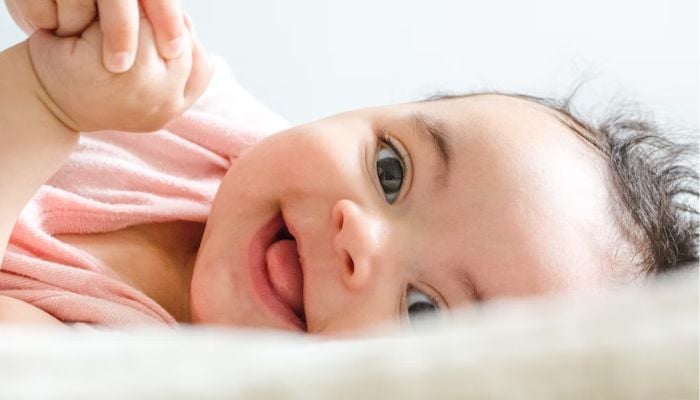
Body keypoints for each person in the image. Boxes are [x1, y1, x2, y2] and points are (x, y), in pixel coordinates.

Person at [0, 1, 696, 334]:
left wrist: (39, 99)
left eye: (422, 310)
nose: (359, 236)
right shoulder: (202, 110)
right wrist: (85, 21)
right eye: (391, 170)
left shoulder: (132, 364)